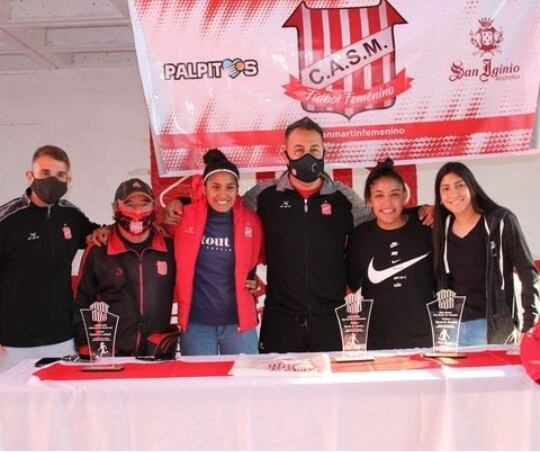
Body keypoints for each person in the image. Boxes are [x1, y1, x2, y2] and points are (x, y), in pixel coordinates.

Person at [164, 117, 432, 353]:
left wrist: (422, 210)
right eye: (299, 149)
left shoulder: (344, 199)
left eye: (314, 149)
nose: (308, 155)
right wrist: (183, 202)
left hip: (331, 319)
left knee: (331, 398)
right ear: (286, 154)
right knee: (279, 402)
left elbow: (384, 215)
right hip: (281, 320)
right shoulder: (263, 197)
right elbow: (222, 204)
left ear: (324, 151)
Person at [0, 145, 98, 372]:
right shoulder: (7, 220)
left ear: (68, 179)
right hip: (11, 343)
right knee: (9, 407)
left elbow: (97, 234)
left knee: (60, 407)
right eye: (45, 173)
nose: (52, 180)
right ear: (30, 175)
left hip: (60, 339)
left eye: (60, 175)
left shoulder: (72, 215)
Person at [433, 162, 539, 345]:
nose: (454, 194)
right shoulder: (442, 227)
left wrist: (529, 325)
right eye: (446, 188)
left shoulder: (500, 221)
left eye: (460, 185)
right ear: (440, 196)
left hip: (491, 328)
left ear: (472, 187)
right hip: (451, 330)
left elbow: (528, 273)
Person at [171, 149, 263, 355]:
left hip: (239, 323)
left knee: (245, 384)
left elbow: (267, 257)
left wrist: (258, 285)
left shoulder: (252, 221)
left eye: (230, 187)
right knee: (200, 386)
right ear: (204, 188)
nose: (223, 194)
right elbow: (156, 231)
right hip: (196, 324)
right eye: (215, 187)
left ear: (238, 189)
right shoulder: (184, 217)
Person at [73, 178, 176, 356]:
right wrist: (85, 347)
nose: (137, 211)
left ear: (153, 207)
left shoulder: (169, 248)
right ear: (115, 207)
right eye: (129, 204)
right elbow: (82, 302)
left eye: (144, 204)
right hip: (112, 355)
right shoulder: (98, 251)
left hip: (157, 353)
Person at [347, 159, 434, 350]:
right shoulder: (359, 237)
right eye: (379, 195)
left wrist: (437, 210)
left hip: (426, 338)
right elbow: (350, 286)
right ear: (369, 200)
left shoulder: (426, 227)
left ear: (405, 196)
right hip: (378, 340)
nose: (387, 202)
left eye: (394, 194)